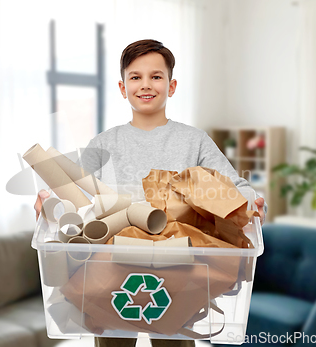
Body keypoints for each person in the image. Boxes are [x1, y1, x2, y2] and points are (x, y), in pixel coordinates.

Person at [34, 39, 267, 347]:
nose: (146, 85)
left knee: (174, 339)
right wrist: (48, 203)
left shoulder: (193, 141)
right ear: (122, 87)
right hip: (112, 264)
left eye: (156, 76)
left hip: (178, 263)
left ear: (171, 86)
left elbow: (233, 186)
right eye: (135, 77)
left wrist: (252, 203)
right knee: (113, 339)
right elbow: (72, 195)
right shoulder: (104, 142)